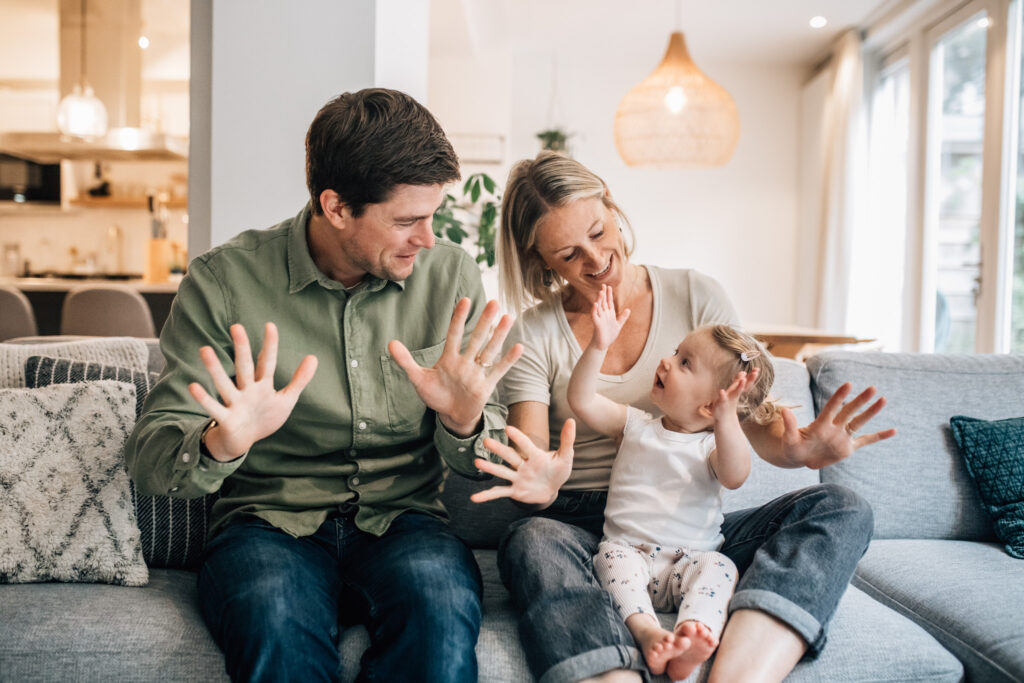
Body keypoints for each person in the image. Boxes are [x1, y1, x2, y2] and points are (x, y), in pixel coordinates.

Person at [124, 88, 521, 683]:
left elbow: (484, 459)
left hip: (404, 520)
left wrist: (465, 423)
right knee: (275, 627)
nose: (429, 239)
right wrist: (218, 442)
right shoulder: (223, 281)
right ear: (336, 207)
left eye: (433, 215)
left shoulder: (450, 275)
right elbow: (150, 455)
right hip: (267, 524)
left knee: (438, 624)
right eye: (408, 220)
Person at [473, 151, 896, 683]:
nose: (598, 259)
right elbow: (532, 449)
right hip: (590, 527)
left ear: (609, 201)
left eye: (601, 232)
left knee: (842, 506)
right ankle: (620, 671)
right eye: (569, 254)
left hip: (698, 527)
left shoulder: (697, 294)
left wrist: (796, 451)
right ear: (542, 263)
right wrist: (539, 475)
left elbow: (744, 414)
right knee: (529, 539)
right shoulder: (535, 333)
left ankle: (736, 675)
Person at [568, 285, 778, 680]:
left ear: (709, 406)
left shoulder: (711, 447)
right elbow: (581, 400)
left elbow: (735, 477)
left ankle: (693, 632)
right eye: (676, 352)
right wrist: (598, 345)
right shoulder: (635, 425)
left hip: (689, 561)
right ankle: (647, 632)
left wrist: (727, 418)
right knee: (607, 559)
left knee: (720, 567)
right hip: (629, 552)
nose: (665, 361)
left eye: (684, 363)